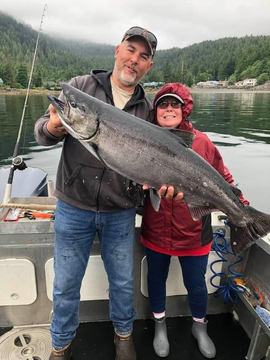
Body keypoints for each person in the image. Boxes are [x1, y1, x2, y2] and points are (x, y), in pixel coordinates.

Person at [34, 27, 183, 360]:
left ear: (149, 66)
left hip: (120, 211)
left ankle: (124, 336)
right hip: (74, 206)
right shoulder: (80, 88)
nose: (134, 60)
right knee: (65, 286)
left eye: (144, 57)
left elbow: (157, 167)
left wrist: (165, 188)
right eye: (131, 50)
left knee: (123, 284)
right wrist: (54, 127)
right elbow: (42, 133)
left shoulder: (147, 110)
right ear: (117, 50)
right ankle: (60, 345)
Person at [140, 82, 249, 359]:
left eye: (174, 104)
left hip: (193, 232)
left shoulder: (202, 142)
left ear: (184, 109)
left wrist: (242, 208)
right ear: (156, 110)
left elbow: (224, 179)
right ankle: (160, 326)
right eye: (162, 104)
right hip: (155, 230)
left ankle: (200, 327)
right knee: (156, 280)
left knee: (197, 284)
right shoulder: (144, 138)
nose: (168, 109)